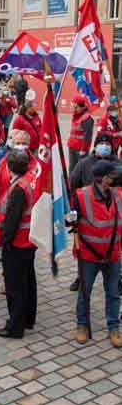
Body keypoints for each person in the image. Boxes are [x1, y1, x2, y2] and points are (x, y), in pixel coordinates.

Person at [0, 151, 37, 339]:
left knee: (15, 287)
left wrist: (5, 242)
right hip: (29, 241)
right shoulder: (30, 180)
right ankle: (28, 318)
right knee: (28, 282)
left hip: (17, 244)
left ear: (9, 168)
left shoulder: (18, 189)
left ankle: (15, 326)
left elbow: (12, 220)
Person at [69, 133, 122, 292]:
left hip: (111, 215)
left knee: (115, 248)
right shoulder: (84, 164)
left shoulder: (117, 164)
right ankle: (81, 276)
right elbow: (73, 183)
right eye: (101, 142)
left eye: (107, 143)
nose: (104, 145)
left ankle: (117, 278)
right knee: (84, 249)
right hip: (88, 215)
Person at [0, 130, 37, 218]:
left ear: (29, 144)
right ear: (13, 144)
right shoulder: (2, 163)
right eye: (18, 143)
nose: (21, 146)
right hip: (3, 212)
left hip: (25, 215)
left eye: (24, 143)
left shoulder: (35, 166)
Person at [67, 94, 94, 174]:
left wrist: (84, 149)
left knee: (81, 169)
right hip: (72, 146)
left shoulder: (87, 118)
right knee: (72, 168)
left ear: (82, 107)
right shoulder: (76, 116)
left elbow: (88, 136)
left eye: (76, 107)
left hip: (80, 149)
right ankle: (71, 180)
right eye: (73, 107)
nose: (74, 109)